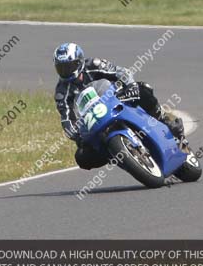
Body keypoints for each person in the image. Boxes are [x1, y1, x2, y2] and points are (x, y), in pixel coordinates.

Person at [52, 43, 186, 170]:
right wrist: (75, 134)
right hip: (94, 121)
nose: (65, 71)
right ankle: (116, 153)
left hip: (117, 98)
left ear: (79, 62)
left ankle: (165, 121)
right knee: (82, 157)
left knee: (143, 89)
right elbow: (66, 118)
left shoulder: (94, 64)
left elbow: (121, 72)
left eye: (69, 66)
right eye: (61, 68)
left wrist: (131, 85)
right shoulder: (62, 92)